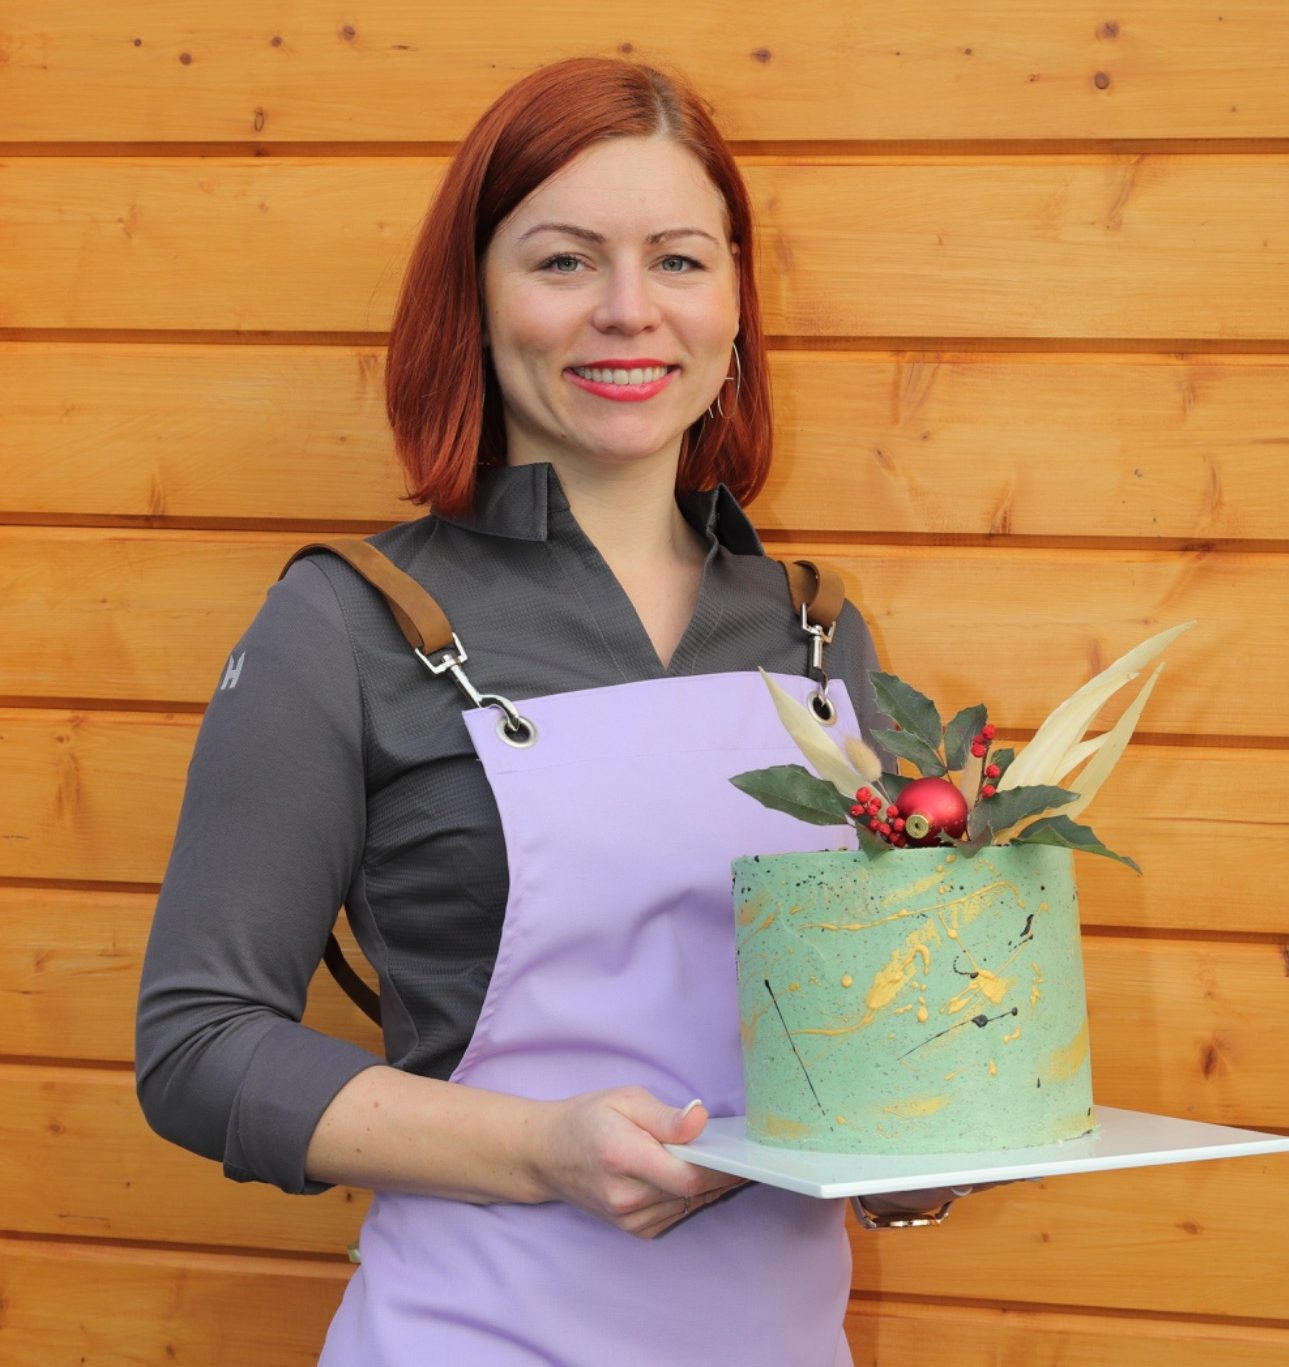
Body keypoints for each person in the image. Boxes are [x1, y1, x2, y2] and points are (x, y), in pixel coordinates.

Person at [136, 57, 975, 1365]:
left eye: (679, 261)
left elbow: (864, 1047)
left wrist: (923, 1142)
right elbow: (198, 1046)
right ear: (472, 302)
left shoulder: (816, 632)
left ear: (737, 305)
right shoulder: (346, 625)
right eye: (565, 261)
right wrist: (539, 1148)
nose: (629, 311)